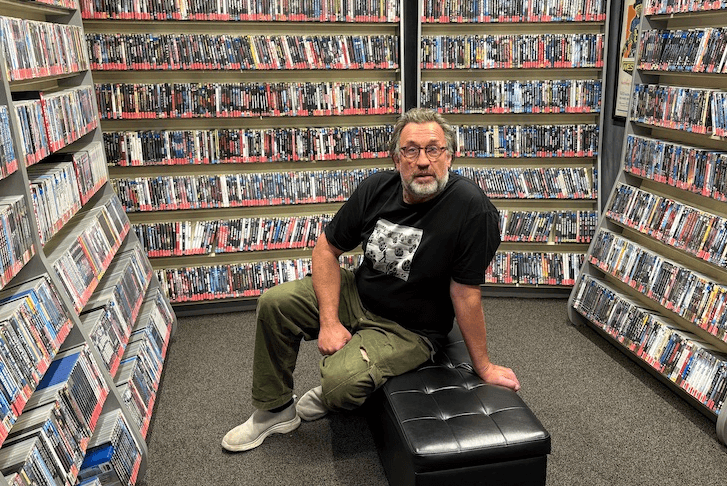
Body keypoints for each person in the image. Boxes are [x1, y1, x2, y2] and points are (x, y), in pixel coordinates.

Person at [222, 107, 520, 453]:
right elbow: (325, 249)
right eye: (411, 150)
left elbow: (465, 292)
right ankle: (274, 410)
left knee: (338, 386)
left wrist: (482, 366)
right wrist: (330, 321)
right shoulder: (376, 188)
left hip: (410, 329)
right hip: (358, 294)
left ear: (449, 157)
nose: (423, 161)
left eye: (433, 149)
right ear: (397, 160)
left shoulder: (473, 209)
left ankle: (354, 369)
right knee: (275, 304)